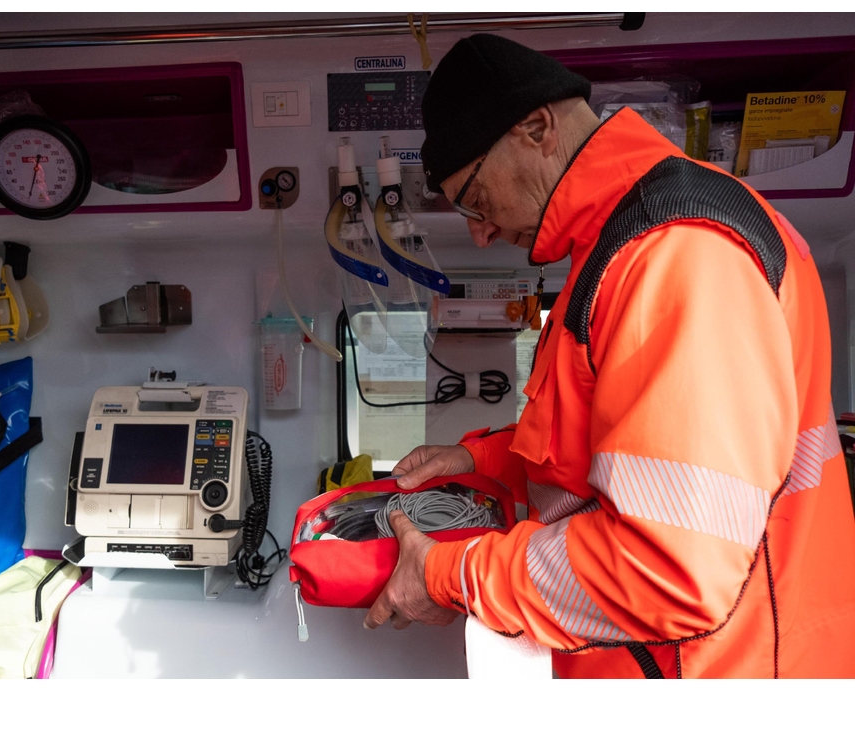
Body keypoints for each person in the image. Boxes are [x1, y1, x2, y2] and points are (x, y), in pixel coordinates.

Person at [362, 33, 855, 678]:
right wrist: (478, 460)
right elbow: (610, 450)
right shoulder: (619, 249)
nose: (480, 233)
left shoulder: (677, 254)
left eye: (476, 202)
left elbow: (668, 570)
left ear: (537, 128)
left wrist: (451, 574)